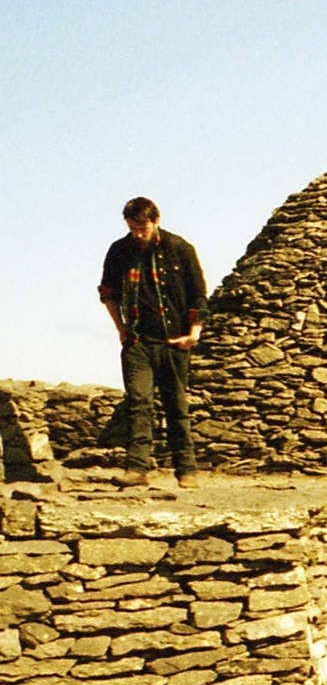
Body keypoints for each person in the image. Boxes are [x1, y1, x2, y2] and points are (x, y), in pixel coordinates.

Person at [98, 197, 207, 487]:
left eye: (142, 228)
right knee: (139, 402)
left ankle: (187, 470)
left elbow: (198, 295)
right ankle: (137, 469)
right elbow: (108, 292)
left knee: (176, 405)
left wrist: (193, 334)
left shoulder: (179, 249)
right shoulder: (119, 251)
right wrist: (121, 329)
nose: (137, 233)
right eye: (132, 228)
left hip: (174, 340)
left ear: (155, 221)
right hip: (137, 341)